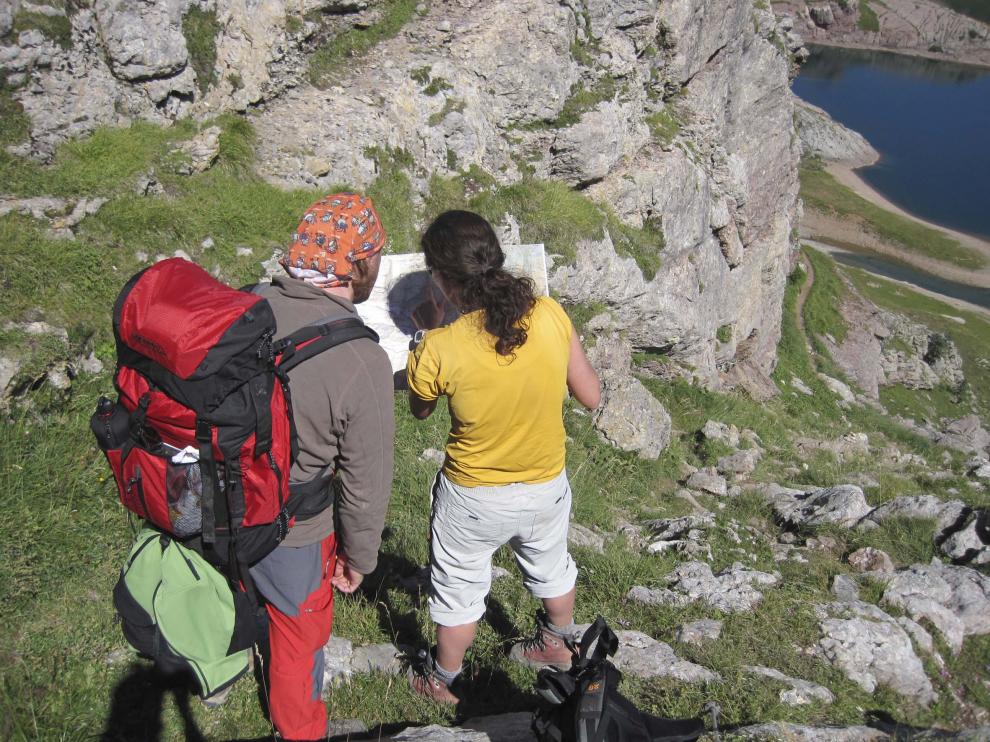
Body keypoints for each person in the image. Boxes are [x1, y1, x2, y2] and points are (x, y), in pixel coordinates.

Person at [405, 210, 601, 704]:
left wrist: (424, 336)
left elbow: (420, 410)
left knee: (458, 589)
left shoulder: (440, 345)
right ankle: (556, 644)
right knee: (551, 565)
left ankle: (442, 680)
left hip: (473, 494)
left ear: (444, 279)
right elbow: (591, 396)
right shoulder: (550, 314)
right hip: (544, 484)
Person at [249, 193, 395, 740]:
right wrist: (359, 558)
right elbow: (365, 483)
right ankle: (301, 730)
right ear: (360, 266)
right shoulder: (362, 360)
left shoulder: (242, 306)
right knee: (297, 633)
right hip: (293, 529)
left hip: (211, 501)